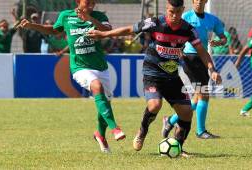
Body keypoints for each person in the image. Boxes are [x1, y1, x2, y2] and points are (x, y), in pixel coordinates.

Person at [87, 0, 221, 155]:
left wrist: (212, 69)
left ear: (183, 10)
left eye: (178, 12)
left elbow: (202, 51)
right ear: (167, 9)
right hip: (152, 74)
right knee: (155, 105)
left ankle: (177, 146)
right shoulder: (155, 23)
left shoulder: (188, 30)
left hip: (172, 77)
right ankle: (142, 131)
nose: (174, 15)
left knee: (186, 112)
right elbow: (130, 29)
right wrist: (104, 34)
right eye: (171, 12)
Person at [17, 0, 126, 153]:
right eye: (87, 3)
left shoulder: (98, 16)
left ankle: (100, 135)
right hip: (79, 67)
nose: (91, 6)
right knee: (97, 86)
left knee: (105, 103)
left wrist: (91, 20)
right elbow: (54, 30)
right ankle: (115, 128)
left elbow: (107, 31)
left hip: (100, 66)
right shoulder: (66, 16)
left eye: (93, 3)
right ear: (78, 2)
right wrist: (32, 26)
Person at [162, 0, 227, 140]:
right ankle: (201, 131)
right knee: (204, 93)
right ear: (192, 2)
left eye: (201, 0)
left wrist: (219, 41)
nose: (198, 2)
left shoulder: (212, 19)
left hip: (203, 58)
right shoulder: (185, 17)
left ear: (205, 1)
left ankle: (170, 120)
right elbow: (173, 33)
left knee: (197, 99)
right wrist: (177, 49)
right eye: (195, 0)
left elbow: (223, 38)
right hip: (188, 57)